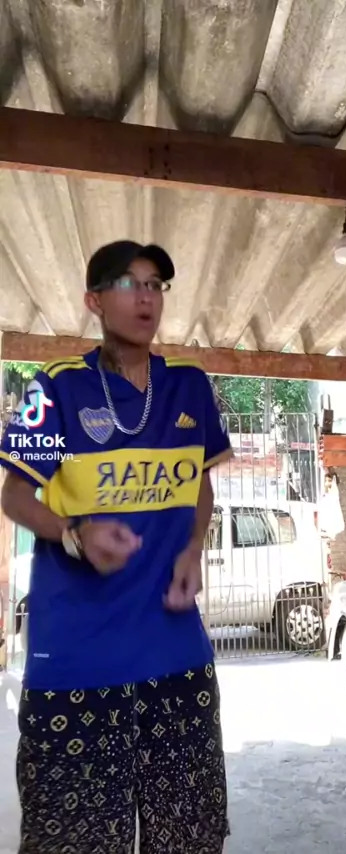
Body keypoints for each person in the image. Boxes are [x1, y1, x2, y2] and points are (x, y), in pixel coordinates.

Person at [0, 240, 234, 854]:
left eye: (156, 284)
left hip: (176, 658)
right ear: (95, 301)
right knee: (75, 842)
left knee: (188, 840)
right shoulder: (56, 389)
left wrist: (193, 548)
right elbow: (15, 495)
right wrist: (73, 535)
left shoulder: (188, 387)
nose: (146, 297)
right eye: (129, 284)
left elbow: (199, 483)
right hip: (75, 663)